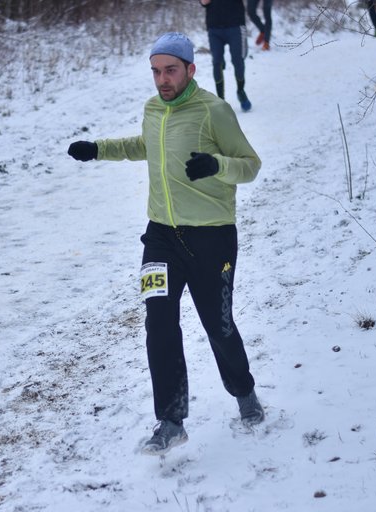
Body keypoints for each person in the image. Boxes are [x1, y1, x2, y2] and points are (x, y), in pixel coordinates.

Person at [67, 32, 265, 456]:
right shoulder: (153, 108)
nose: (162, 80)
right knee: (158, 322)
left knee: (219, 325)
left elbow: (250, 165)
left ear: (191, 70)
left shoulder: (214, 111)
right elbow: (146, 146)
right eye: (156, 71)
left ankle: (244, 392)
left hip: (211, 237)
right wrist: (98, 149)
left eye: (170, 70)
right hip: (160, 236)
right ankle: (171, 420)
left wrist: (217, 164)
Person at [200, 0, 253, 112]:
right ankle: (221, 100)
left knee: (238, 60)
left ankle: (240, 90)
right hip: (214, 27)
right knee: (217, 62)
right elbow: (203, 2)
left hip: (235, 26)